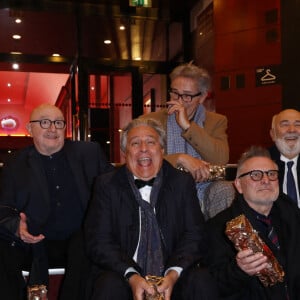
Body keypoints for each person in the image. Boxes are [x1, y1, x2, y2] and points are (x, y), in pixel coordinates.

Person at [84, 118, 219, 300]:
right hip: (124, 276)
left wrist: (173, 273)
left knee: (201, 280)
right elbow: (99, 241)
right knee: (108, 285)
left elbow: (195, 234)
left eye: (150, 142)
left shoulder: (181, 182)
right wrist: (132, 275)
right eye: (135, 143)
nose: (144, 149)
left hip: (173, 276)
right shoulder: (106, 185)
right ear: (125, 153)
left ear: (162, 150)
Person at [0, 103, 113, 300]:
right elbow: (4, 206)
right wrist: (17, 226)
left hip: (81, 236)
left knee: (84, 243)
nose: (53, 129)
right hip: (34, 239)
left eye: (59, 123)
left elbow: (114, 191)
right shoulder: (16, 163)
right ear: (29, 129)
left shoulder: (89, 153)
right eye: (44, 122)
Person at [206, 146, 300, 299]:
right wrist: (239, 270)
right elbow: (212, 286)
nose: (265, 180)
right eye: (255, 175)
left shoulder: (291, 213)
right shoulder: (219, 228)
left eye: (271, 174)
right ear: (238, 185)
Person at [139, 62, 229, 210]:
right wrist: (180, 159)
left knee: (224, 190)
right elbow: (141, 159)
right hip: (162, 187)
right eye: (174, 92)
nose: (178, 101)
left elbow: (220, 159)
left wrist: (187, 126)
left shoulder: (216, 121)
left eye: (187, 96)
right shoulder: (148, 121)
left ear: (202, 97)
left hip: (204, 188)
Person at [269, 108, 300, 206]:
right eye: (285, 124)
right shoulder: (258, 164)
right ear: (273, 134)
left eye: (298, 124)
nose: (292, 130)